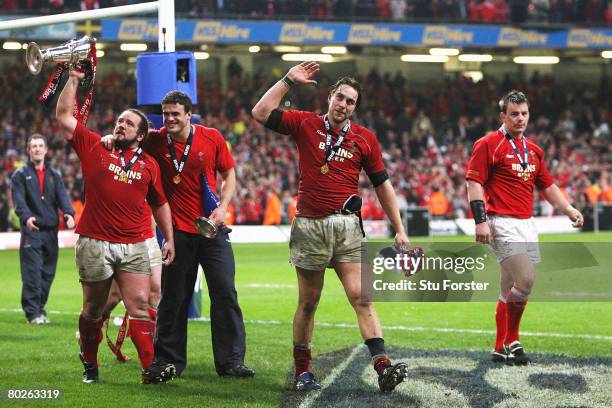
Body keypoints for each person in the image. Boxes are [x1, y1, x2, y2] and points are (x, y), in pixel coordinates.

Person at [251, 62, 410, 392]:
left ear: (355, 108)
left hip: (347, 228)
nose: (344, 105)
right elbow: (261, 111)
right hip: (310, 227)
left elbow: (383, 185)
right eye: (340, 97)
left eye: (351, 102)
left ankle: (382, 368)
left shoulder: (365, 139)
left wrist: (399, 228)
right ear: (330, 97)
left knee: (361, 297)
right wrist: (287, 81)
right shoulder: (305, 123)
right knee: (309, 302)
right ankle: (303, 372)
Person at [104, 91, 253, 378]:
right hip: (176, 234)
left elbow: (230, 173)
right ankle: (168, 361)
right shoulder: (155, 140)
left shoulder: (211, 138)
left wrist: (223, 207)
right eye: (166, 113)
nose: (170, 119)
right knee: (173, 298)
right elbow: (128, 139)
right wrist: (111, 139)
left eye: (175, 113)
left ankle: (231, 361)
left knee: (225, 293)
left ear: (188, 114)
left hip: (212, 230)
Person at [55, 68, 177, 384]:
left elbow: (160, 203)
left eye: (128, 123)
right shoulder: (95, 146)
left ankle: (149, 370)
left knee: (139, 304)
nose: (120, 125)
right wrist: (73, 79)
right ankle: (91, 364)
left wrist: (169, 239)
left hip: (136, 242)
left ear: (140, 135)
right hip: (94, 240)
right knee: (94, 308)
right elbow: (66, 116)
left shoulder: (149, 165)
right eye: (119, 121)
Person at [466, 90, 584, 365]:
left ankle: (499, 346)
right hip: (501, 223)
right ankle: (512, 339)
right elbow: (474, 182)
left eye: (524, 113)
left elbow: (547, 186)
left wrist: (568, 208)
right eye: (514, 114)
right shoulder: (488, 144)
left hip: (527, 224)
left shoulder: (534, 150)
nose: (520, 119)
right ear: (502, 116)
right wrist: (480, 220)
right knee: (526, 280)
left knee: (508, 287)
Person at [11, 133, 75, 324]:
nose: (37, 149)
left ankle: (39, 309)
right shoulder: (20, 175)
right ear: (29, 151)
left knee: (48, 273)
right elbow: (19, 201)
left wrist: (69, 213)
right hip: (32, 231)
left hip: (51, 233)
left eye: (40, 146)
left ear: (46, 150)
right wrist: (26, 217)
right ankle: (33, 314)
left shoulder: (54, 175)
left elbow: (63, 197)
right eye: (34, 146)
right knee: (32, 273)